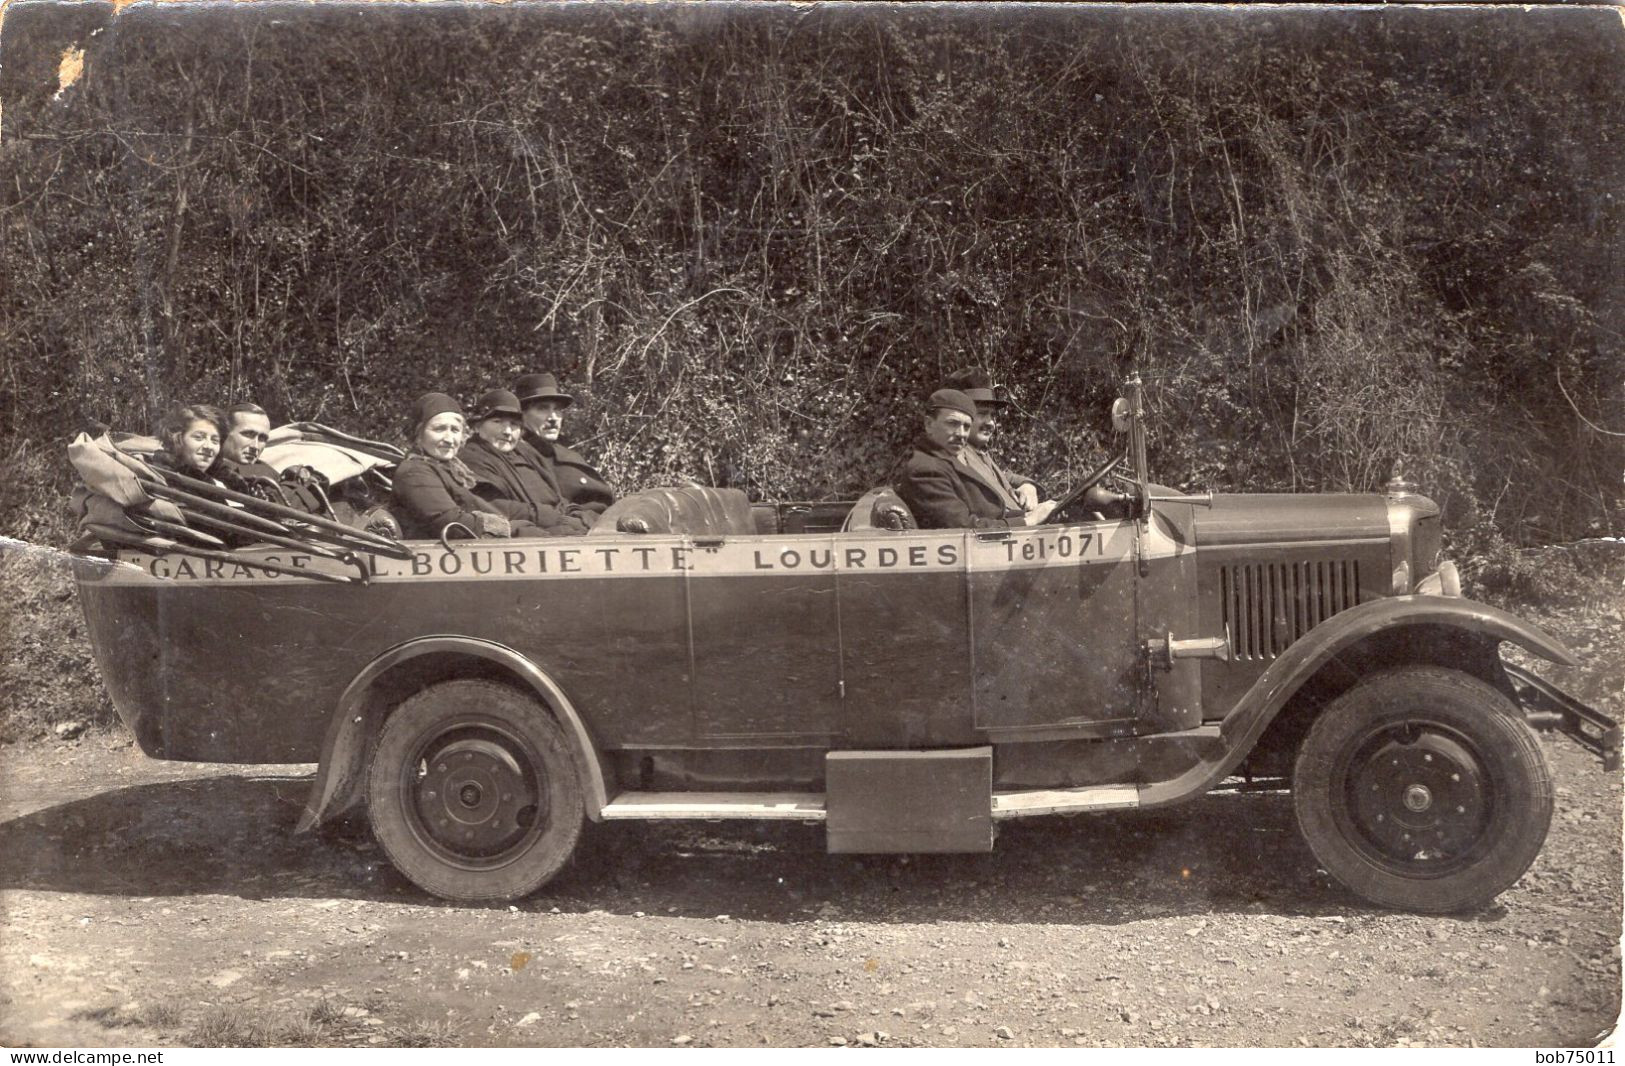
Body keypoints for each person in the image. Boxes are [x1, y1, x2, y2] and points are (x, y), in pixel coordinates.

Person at [896, 390, 1058, 530]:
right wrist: (1029, 520)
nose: (961, 434)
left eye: (966, 426)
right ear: (929, 424)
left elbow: (991, 509)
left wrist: (1035, 511)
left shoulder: (948, 459)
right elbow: (964, 527)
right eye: (952, 423)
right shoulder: (925, 469)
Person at [391, 392, 540, 540]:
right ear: (419, 433)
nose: (449, 439)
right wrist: (514, 530)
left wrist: (538, 517)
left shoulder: (454, 471)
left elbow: (480, 505)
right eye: (439, 429)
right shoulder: (415, 472)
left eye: (455, 430)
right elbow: (451, 522)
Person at [460, 389, 592, 537]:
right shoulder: (471, 459)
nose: (508, 431)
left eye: (514, 424)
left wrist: (577, 515)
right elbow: (493, 506)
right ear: (477, 426)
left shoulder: (526, 454)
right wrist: (552, 518)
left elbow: (558, 497)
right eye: (497, 422)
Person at [939, 369, 1042, 515]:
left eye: (992, 415)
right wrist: (1034, 517)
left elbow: (1002, 476)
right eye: (981, 414)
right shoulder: (956, 457)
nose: (991, 423)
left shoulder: (976, 451)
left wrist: (1027, 485)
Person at [513, 372, 616, 515]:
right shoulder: (517, 456)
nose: (553, 417)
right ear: (521, 416)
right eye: (542, 408)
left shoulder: (568, 455)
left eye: (557, 409)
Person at [149, 403, 230, 483]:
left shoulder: (225, 481)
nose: (208, 446)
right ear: (178, 439)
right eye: (199, 437)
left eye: (215, 441)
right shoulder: (158, 474)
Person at [218, 403, 278, 482]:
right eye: (248, 434)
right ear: (225, 433)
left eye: (262, 438)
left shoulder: (269, 473)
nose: (255, 446)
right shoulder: (203, 467)